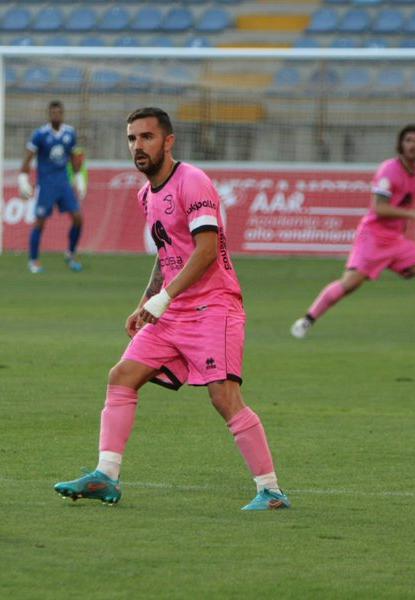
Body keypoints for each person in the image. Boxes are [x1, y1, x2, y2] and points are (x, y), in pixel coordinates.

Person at [54, 107, 290, 511]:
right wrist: (146, 301)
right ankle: (106, 476)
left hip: (213, 306)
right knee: (122, 376)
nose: (138, 146)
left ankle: (271, 491)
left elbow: (206, 251)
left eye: (146, 137)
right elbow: (167, 252)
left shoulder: (192, 181)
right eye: (132, 138)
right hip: (173, 310)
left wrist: (163, 299)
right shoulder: (146, 194)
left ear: (168, 141)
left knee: (224, 397)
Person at [290, 124, 415, 341]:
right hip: (373, 237)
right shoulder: (389, 170)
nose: (412, 145)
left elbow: (402, 202)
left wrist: (403, 224)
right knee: (350, 283)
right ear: (400, 144)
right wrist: (413, 215)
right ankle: (307, 320)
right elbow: (379, 208)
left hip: (395, 240)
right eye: (408, 140)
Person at [18, 100, 86, 274]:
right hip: (46, 185)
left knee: (78, 218)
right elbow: (28, 157)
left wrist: (78, 178)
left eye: (59, 112)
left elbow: (73, 156)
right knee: (39, 222)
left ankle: (70, 254)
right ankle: (33, 260)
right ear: (48, 114)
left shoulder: (69, 133)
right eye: (53, 112)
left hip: (63, 184)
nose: (56, 115)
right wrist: (23, 179)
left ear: (63, 114)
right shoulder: (39, 134)